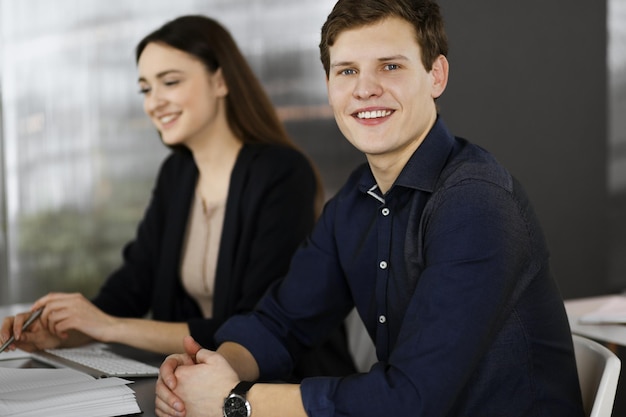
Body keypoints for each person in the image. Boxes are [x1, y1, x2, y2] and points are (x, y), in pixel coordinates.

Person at [154, 1, 587, 416]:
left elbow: (412, 400)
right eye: (347, 71)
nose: (365, 89)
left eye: (390, 66)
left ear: (436, 75)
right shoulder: (355, 202)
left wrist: (235, 403)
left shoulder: (475, 202)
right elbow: (280, 323)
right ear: (329, 87)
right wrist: (208, 372)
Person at [0, 15, 356, 380]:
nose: (154, 102)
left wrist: (109, 327)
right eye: (145, 89)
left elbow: (257, 324)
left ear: (220, 81)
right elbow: (130, 288)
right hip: (199, 384)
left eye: (169, 82)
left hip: (287, 389)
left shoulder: (282, 172)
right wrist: (65, 331)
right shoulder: (178, 174)